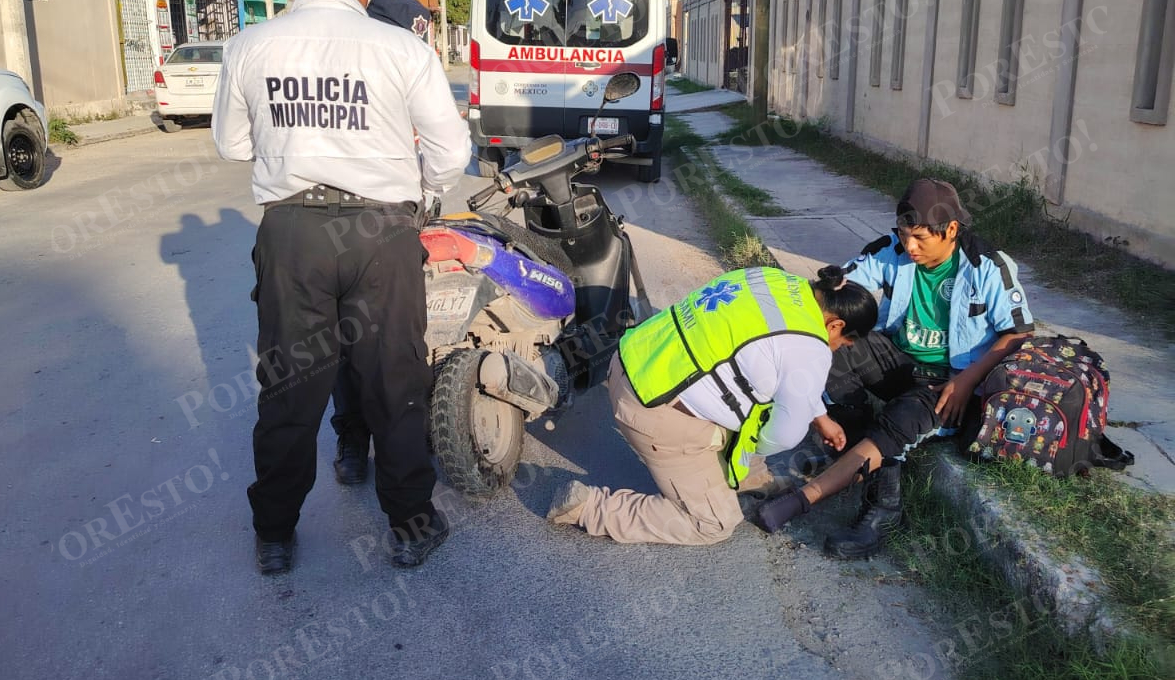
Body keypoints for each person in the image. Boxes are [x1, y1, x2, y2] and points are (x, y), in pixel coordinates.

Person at [212, 0, 471, 574]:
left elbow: (231, 145)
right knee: (395, 379)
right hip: (381, 230)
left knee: (290, 387)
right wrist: (419, 195)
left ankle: (274, 536)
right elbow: (451, 152)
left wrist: (297, 153)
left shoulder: (252, 45)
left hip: (293, 232)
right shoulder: (401, 47)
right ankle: (411, 527)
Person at [754, 179, 1035, 559]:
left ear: (950, 230)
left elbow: (1018, 335)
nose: (910, 247)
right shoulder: (891, 251)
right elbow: (845, 285)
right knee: (832, 354)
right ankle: (851, 450)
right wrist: (829, 288)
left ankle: (883, 510)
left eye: (919, 238)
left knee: (900, 420)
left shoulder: (988, 266)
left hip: (951, 381)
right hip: (898, 359)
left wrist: (968, 381)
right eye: (904, 235)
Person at [546, 266, 879, 545]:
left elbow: (776, 362)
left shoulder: (773, 279)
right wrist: (746, 451)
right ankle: (590, 508)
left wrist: (818, 416)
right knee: (714, 522)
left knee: (748, 401)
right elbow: (784, 435)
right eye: (843, 343)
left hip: (631, 363)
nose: (836, 350)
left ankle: (739, 476)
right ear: (835, 325)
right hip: (653, 409)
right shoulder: (812, 348)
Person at [328, 0, 433, 488]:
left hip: (400, 206)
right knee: (348, 341)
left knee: (397, 341)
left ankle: (404, 442)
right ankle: (353, 437)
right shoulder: (349, 43)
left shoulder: (410, 26)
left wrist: (428, 191)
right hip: (344, 214)